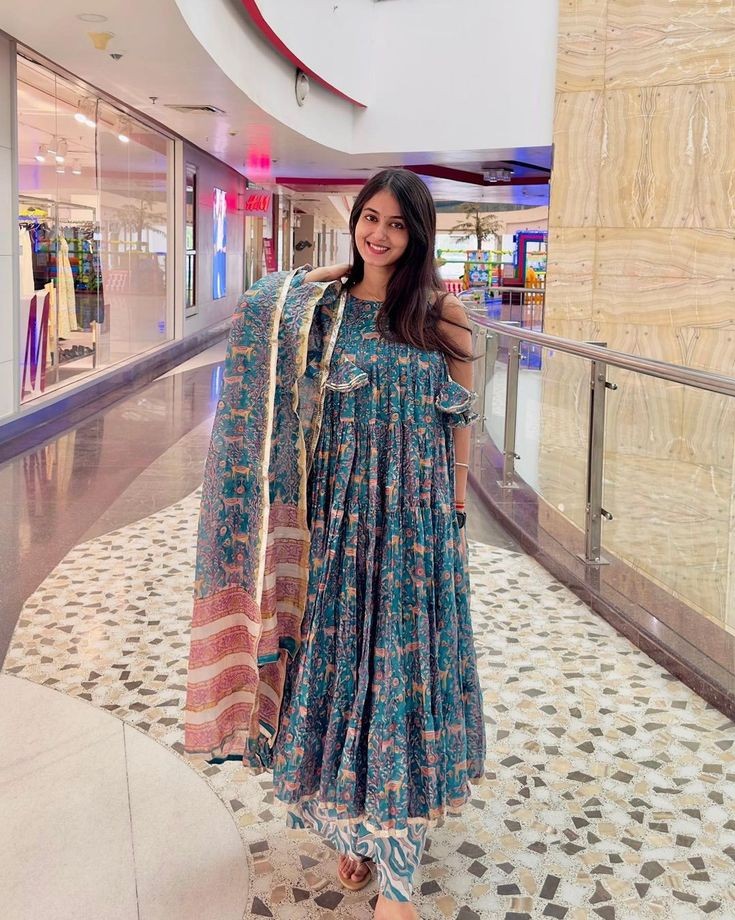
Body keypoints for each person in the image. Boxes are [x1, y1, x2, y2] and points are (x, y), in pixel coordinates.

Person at [185, 168, 485, 919]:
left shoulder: (442, 314)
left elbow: (459, 418)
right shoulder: (326, 311)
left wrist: (454, 506)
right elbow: (260, 309)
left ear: (418, 234)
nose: (379, 234)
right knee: (345, 674)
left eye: (397, 224)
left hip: (415, 525)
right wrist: (333, 273)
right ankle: (355, 829)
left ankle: (398, 880)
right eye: (369, 218)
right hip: (341, 525)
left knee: (402, 677)